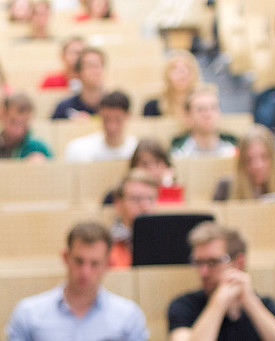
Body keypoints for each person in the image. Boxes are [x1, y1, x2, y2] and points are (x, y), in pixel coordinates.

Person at [7, 221, 149, 340]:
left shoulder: (128, 316)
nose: (85, 272)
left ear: (108, 264)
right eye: (79, 261)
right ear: (65, 257)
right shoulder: (28, 313)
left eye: (95, 263)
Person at [167, 222, 275, 341]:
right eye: (198, 262)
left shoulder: (266, 305)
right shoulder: (184, 305)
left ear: (239, 263)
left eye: (213, 262)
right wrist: (218, 302)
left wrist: (250, 302)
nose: (203, 272)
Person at [214, 124, 275, 200]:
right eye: (249, 160)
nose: (257, 165)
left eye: (264, 157)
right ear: (241, 162)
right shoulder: (226, 189)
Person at [103, 138, 181, 205]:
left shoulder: (176, 190)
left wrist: (167, 184)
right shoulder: (115, 196)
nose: (152, 170)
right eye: (145, 164)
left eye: (157, 163)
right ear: (134, 167)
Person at [64, 90, 138, 162]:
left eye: (118, 120)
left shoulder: (137, 151)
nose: (111, 126)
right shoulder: (78, 150)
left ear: (128, 116)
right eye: (106, 119)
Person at [170, 84, 238, 159]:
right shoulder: (178, 153)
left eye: (213, 108)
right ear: (188, 117)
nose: (208, 114)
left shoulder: (234, 149)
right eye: (200, 109)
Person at [110, 169, 159, 268]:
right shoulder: (109, 243)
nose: (145, 206)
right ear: (118, 203)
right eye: (136, 199)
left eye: (150, 199)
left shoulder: (164, 238)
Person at [143, 49, 202, 120]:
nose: (182, 73)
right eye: (175, 68)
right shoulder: (152, 106)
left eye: (187, 68)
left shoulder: (205, 106)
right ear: (167, 74)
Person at [52, 47, 106, 120]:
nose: (95, 71)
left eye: (98, 65)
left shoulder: (116, 106)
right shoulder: (64, 108)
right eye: (90, 66)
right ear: (78, 73)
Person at [0, 93, 53, 160]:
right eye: (13, 121)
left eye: (23, 123)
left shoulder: (37, 148)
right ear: (3, 116)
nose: (18, 129)